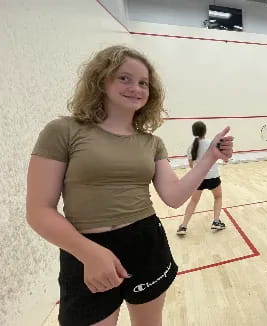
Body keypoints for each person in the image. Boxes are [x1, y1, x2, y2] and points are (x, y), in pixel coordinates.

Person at [26, 45, 233, 326]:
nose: (136, 88)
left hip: (146, 244)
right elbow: (39, 211)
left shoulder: (151, 143)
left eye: (143, 83)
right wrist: (89, 253)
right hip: (85, 250)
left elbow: (173, 197)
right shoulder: (63, 131)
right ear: (101, 79)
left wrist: (209, 157)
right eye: (124, 78)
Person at [176, 121, 225, 235]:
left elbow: (191, 165)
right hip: (213, 177)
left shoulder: (191, 147)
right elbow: (221, 157)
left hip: (198, 179)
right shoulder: (211, 144)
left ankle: (183, 226)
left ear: (194, 132)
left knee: (193, 201)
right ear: (205, 131)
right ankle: (216, 222)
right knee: (218, 197)